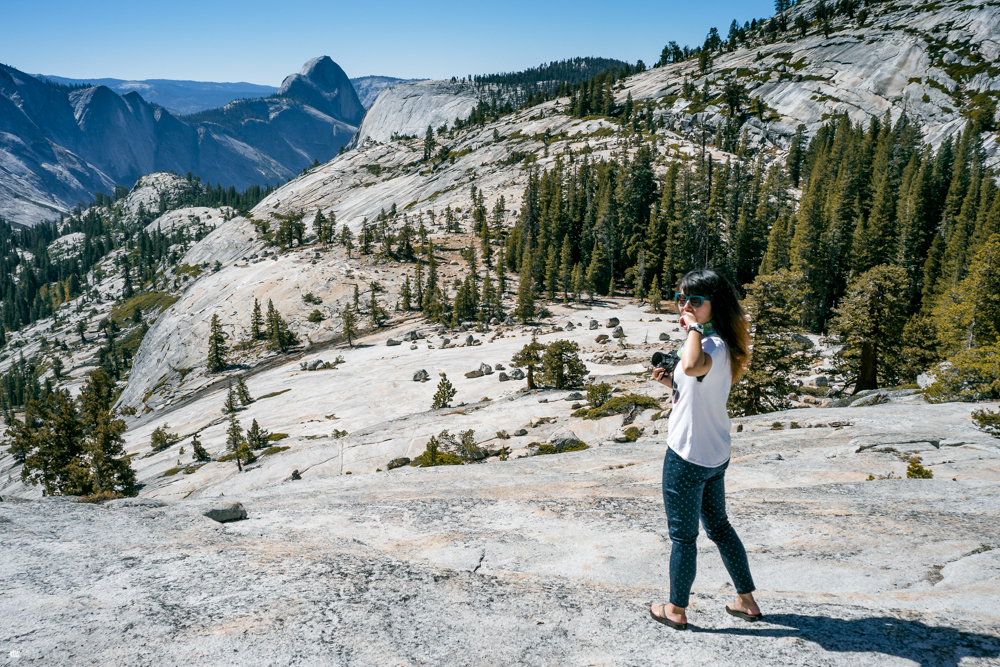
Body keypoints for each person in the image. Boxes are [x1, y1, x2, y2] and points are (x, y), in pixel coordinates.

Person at [648, 268, 761, 630]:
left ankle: (676, 610)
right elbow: (695, 383)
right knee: (720, 528)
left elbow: (695, 364)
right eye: (681, 299)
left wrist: (693, 327)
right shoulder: (721, 341)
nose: (685, 306)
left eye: (695, 301)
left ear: (715, 304)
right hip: (714, 454)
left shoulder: (707, 342)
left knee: (683, 537)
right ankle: (746, 601)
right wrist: (672, 385)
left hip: (686, 456)